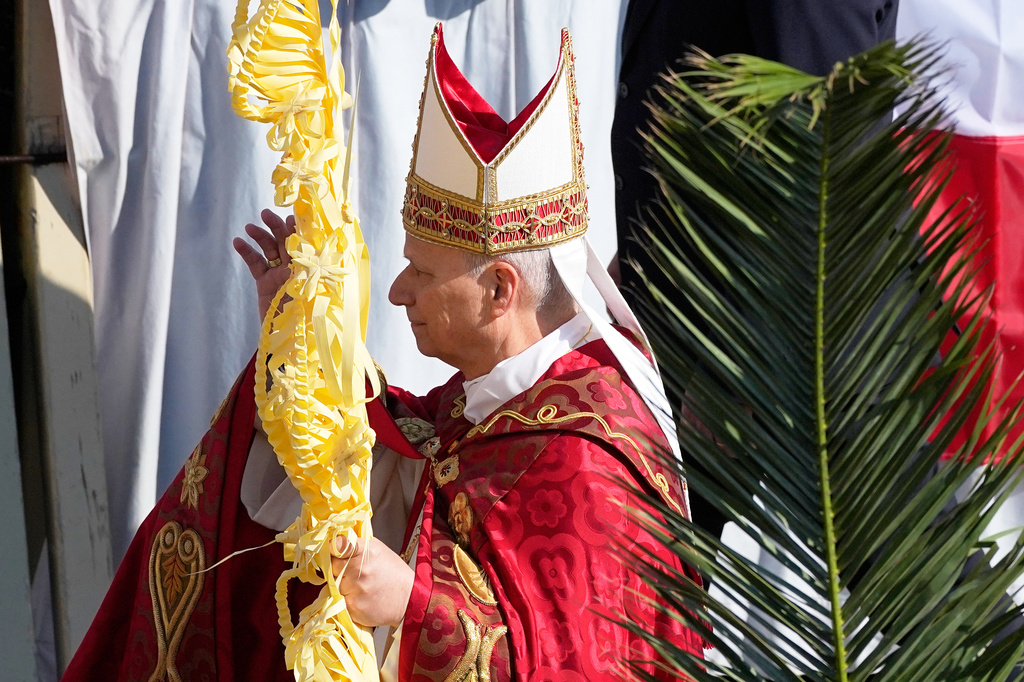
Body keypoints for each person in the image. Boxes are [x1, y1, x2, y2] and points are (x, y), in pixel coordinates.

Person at [62, 23, 702, 681]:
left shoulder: (588, 464)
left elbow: (574, 666)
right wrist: (301, 351)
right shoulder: (506, 393)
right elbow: (404, 453)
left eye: (422, 273)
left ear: (498, 291)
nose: (398, 293)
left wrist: (412, 606)